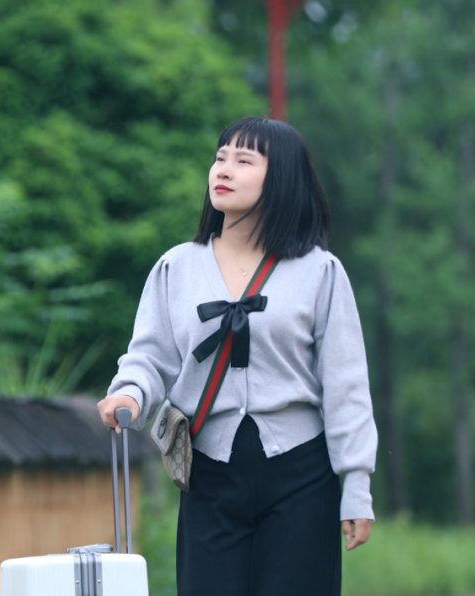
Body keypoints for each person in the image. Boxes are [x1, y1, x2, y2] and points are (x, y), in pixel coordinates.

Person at [97, 116, 377, 596]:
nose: (223, 170)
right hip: (209, 471)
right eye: (220, 157)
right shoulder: (177, 267)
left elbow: (345, 385)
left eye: (244, 161)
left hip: (302, 475)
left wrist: (356, 487)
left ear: (281, 178)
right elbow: (150, 357)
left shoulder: (320, 272)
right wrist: (129, 394)